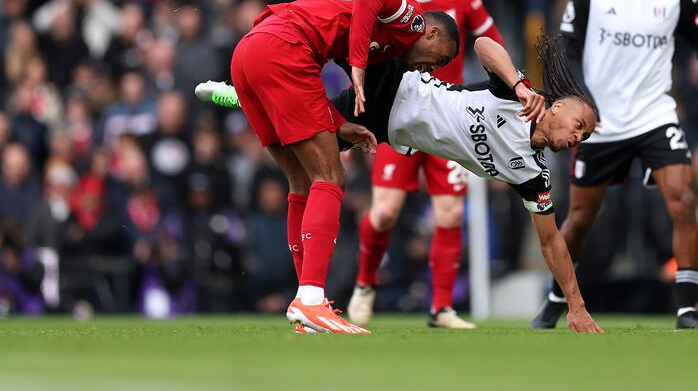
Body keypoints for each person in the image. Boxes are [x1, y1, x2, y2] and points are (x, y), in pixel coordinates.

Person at [198, 35, 603, 334]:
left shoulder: (532, 174)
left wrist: (577, 305)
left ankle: (244, 98)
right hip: (399, 87)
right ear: (559, 106)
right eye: (579, 126)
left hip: (384, 127)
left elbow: (550, 242)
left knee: (305, 128)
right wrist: (517, 83)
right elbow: (483, 44)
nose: (576, 138)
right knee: (339, 31)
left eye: (583, 138)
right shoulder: (520, 98)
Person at [212, 0, 460, 334]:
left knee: (301, 180)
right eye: (437, 58)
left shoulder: (329, 5)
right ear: (430, 33)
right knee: (331, 176)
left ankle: (304, 299)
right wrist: (360, 64)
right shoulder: (406, 20)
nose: (429, 68)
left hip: (251, 53)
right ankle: (312, 299)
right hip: (284, 53)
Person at [531, 0, 698, 331]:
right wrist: (582, 103)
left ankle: (687, 308)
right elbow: (567, 50)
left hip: (655, 115)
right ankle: (554, 297)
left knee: (685, 200)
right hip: (603, 122)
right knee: (581, 218)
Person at [350, 0, 505, 330]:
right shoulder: (386, 2)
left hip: (447, 124)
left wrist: (509, 91)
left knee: (450, 213)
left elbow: (493, 45)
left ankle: (441, 308)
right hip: (396, 120)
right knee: (383, 213)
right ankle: (365, 284)